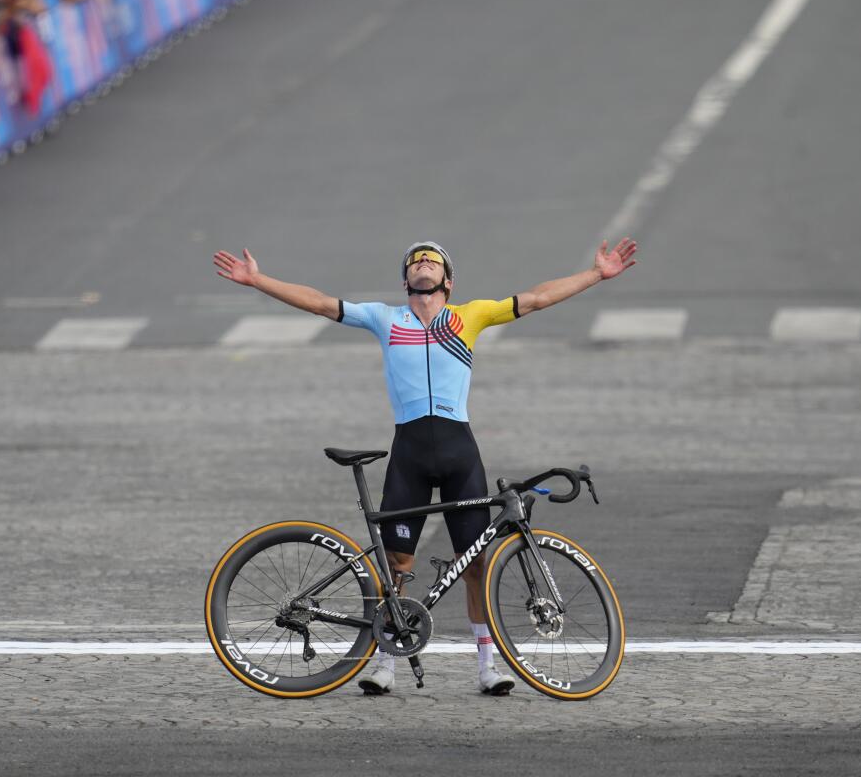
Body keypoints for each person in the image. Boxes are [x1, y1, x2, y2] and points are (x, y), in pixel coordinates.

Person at [213, 238, 638, 695]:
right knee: (396, 563)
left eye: (432, 261)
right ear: (405, 280)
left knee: (474, 564)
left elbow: (535, 299)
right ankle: (385, 664)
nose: (422, 264)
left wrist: (596, 275)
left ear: (447, 281)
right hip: (410, 453)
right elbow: (319, 303)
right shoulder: (385, 318)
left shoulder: (470, 316)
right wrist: (257, 280)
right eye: (415, 261)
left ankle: (486, 668)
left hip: (460, 452)